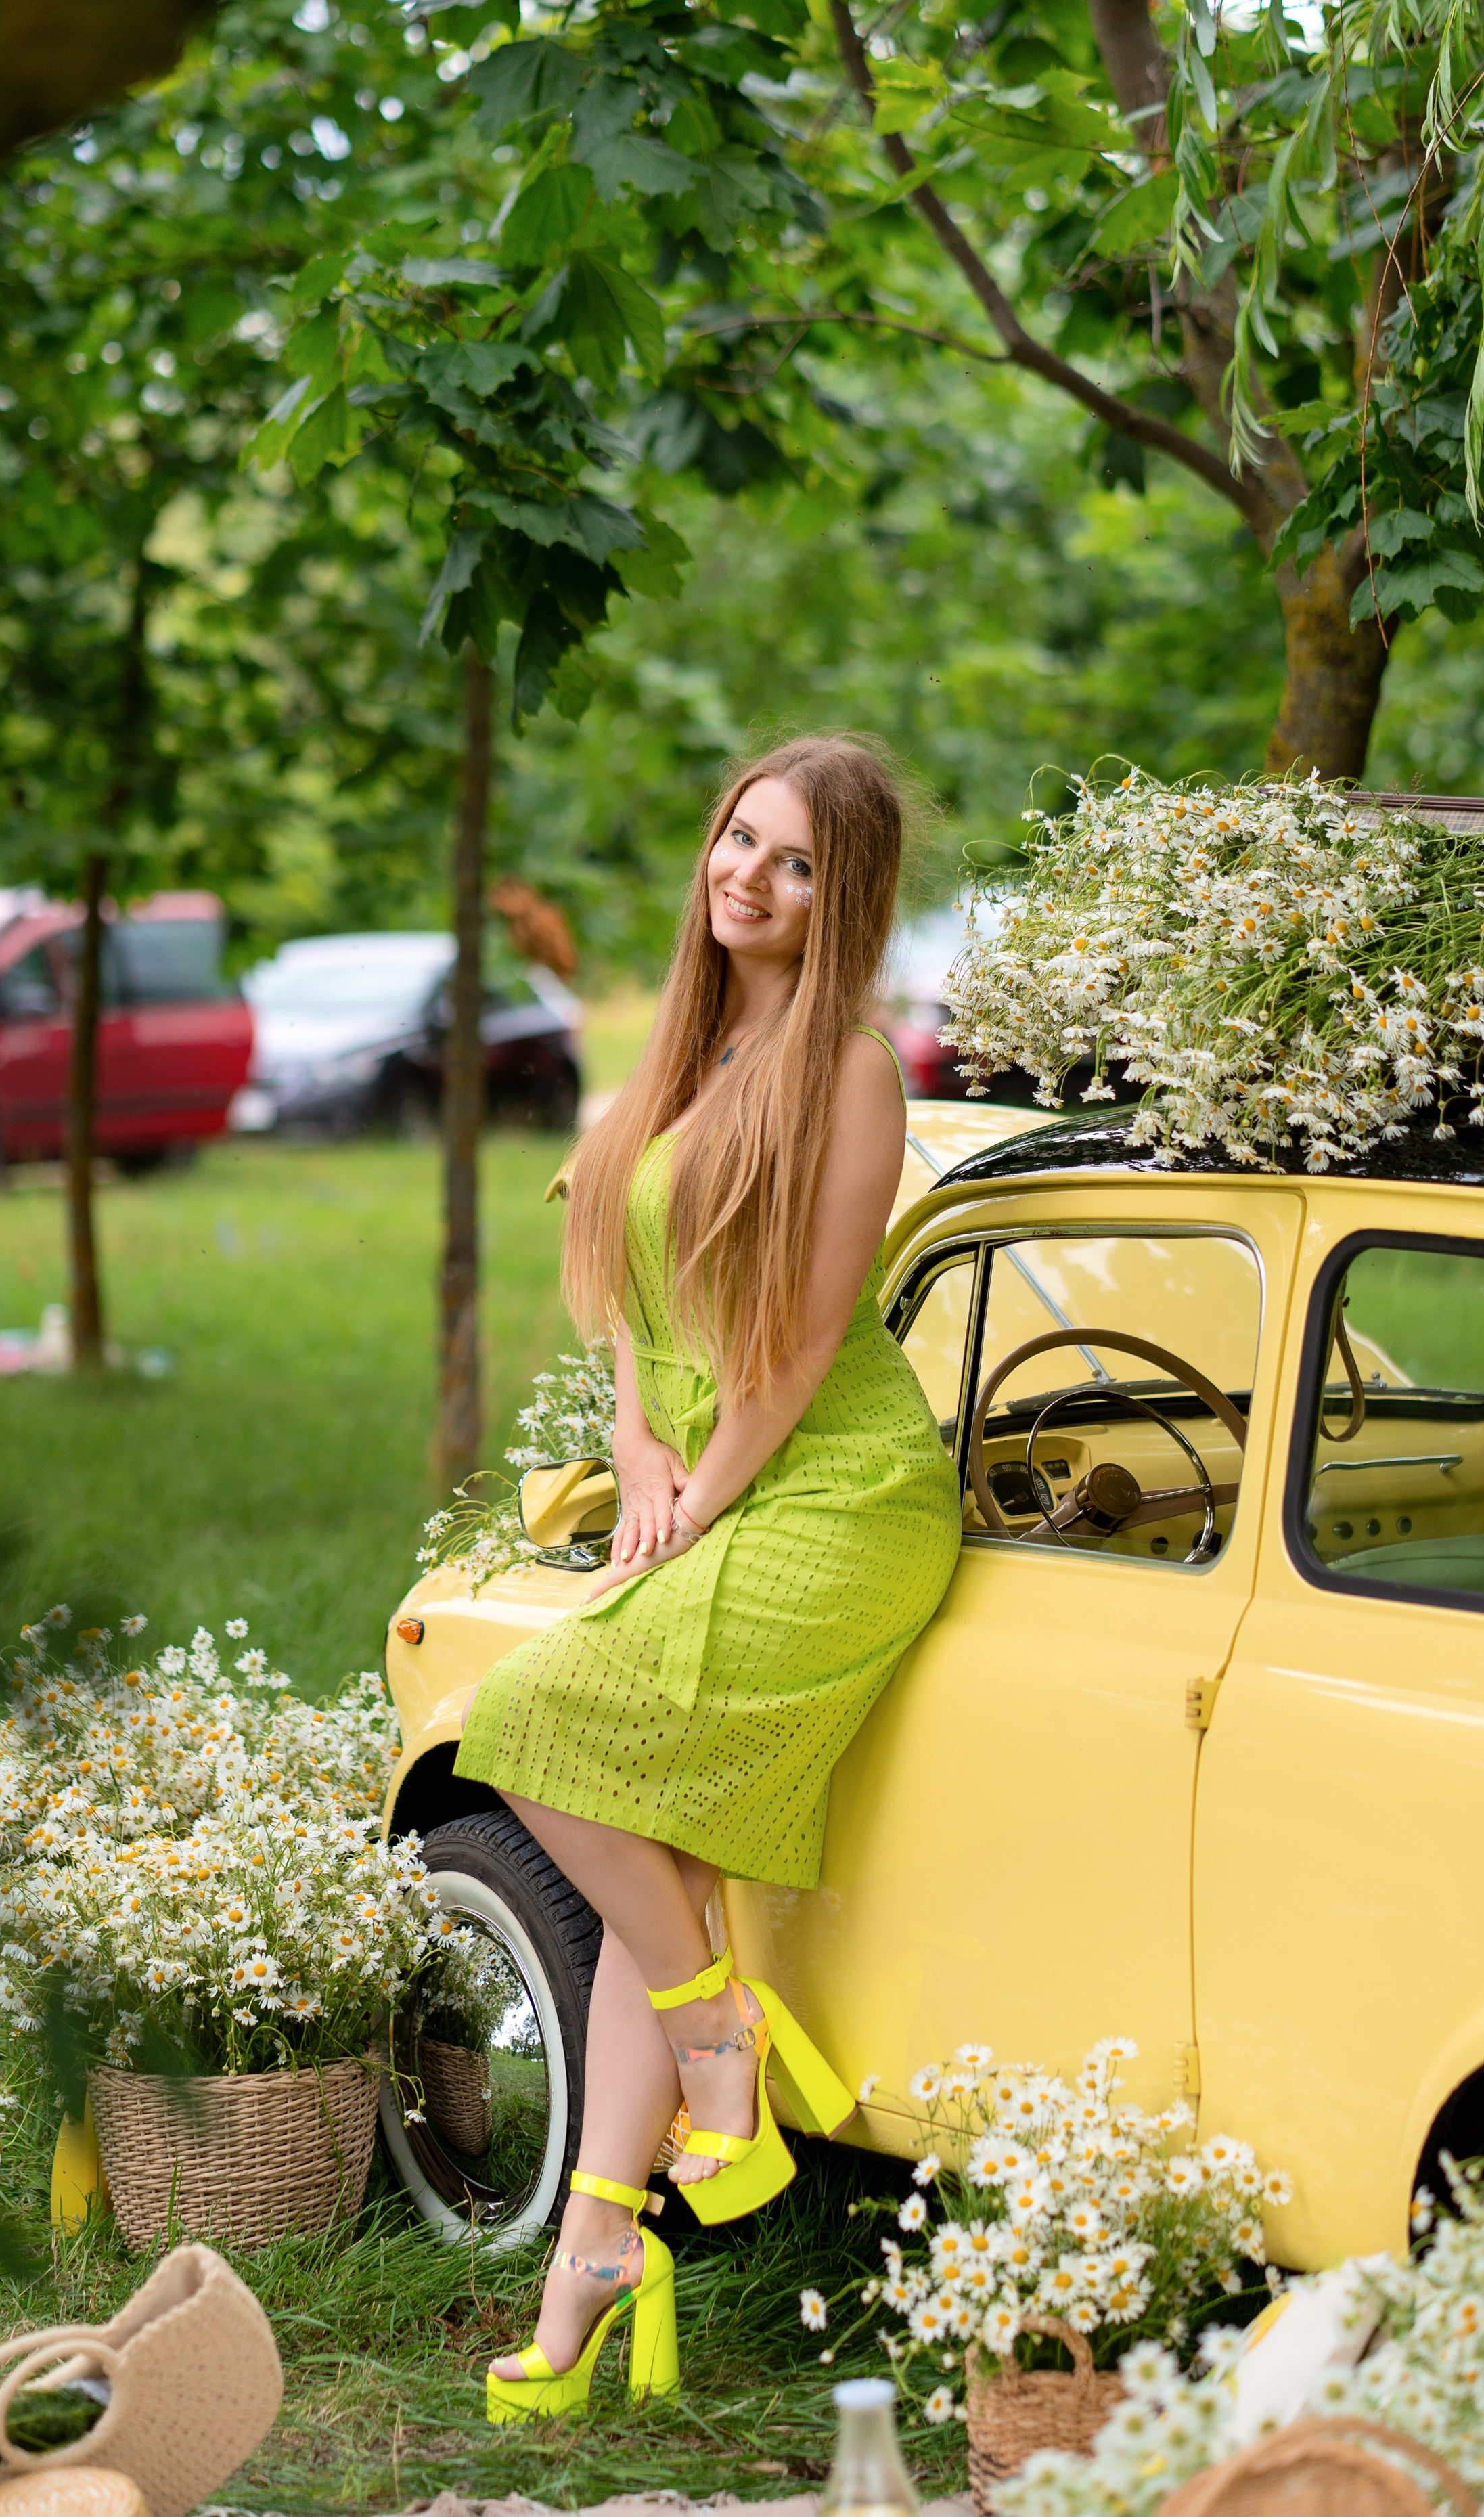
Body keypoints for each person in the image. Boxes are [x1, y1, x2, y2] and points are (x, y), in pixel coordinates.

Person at [457, 733, 963, 2420]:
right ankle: (598, 2249)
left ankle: (711, 2031)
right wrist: (639, 1446)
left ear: (848, 897)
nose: (749, 874)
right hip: (708, 1466)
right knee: (635, 1837)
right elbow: (626, 1280)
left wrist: (696, 1500)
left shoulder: (850, 1072)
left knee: (531, 1717)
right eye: (740, 838)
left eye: (797, 861)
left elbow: (803, 1348)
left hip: (835, 1491)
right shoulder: (685, 1041)